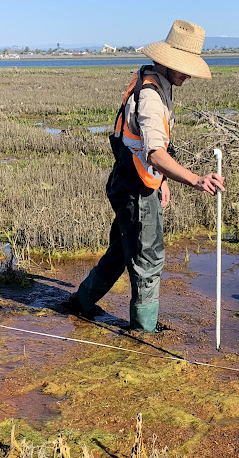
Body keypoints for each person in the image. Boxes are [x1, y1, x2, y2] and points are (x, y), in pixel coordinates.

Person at [69, 20, 224, 333]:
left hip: (132, 181)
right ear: (166, 61)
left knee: (121, 252)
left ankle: (81, 303)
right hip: (135, 190)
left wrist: (163, 180)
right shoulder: (153, 97)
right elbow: (155, 153)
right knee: (148, 262)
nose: (188, 74)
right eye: (184, 67)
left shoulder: (153, 81)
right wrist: (196, 180)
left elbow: (146, 146)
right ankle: (143, 333)